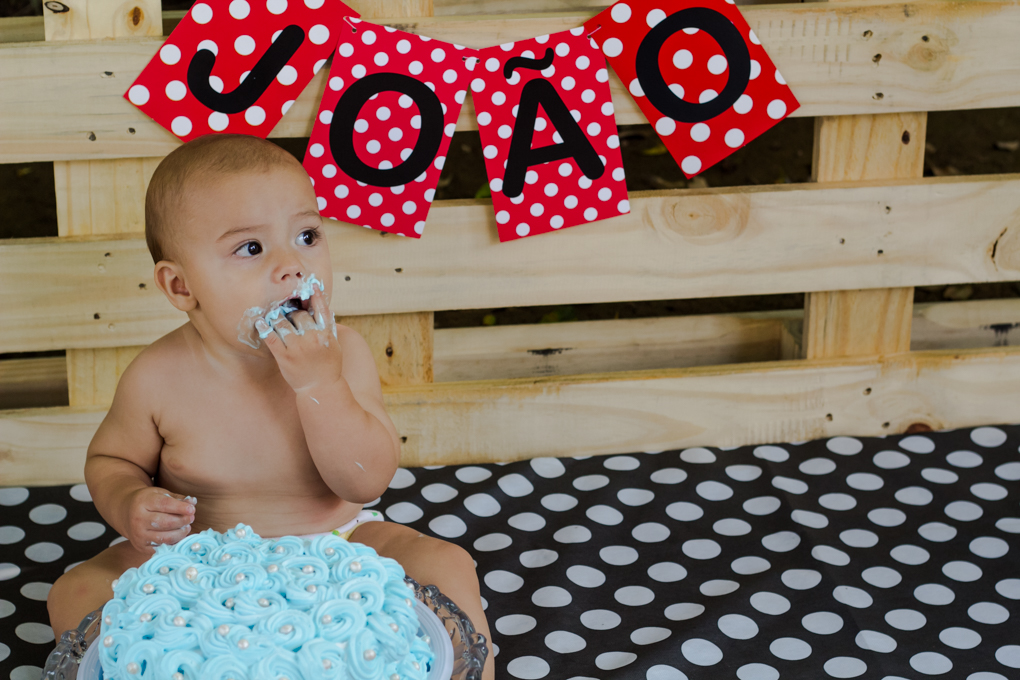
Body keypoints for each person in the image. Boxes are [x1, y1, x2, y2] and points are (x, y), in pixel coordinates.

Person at [47, 133, 493, 679]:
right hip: (192, 564)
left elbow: (365, 482)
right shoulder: (156, 375)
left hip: (338, 545)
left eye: (307, 235)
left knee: (447, 563)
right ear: (181, 285)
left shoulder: (343, 354)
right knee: (76, 589)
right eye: (251, 248)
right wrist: (130, 503)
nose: (291, 265)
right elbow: (112, 462)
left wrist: (319, 386)